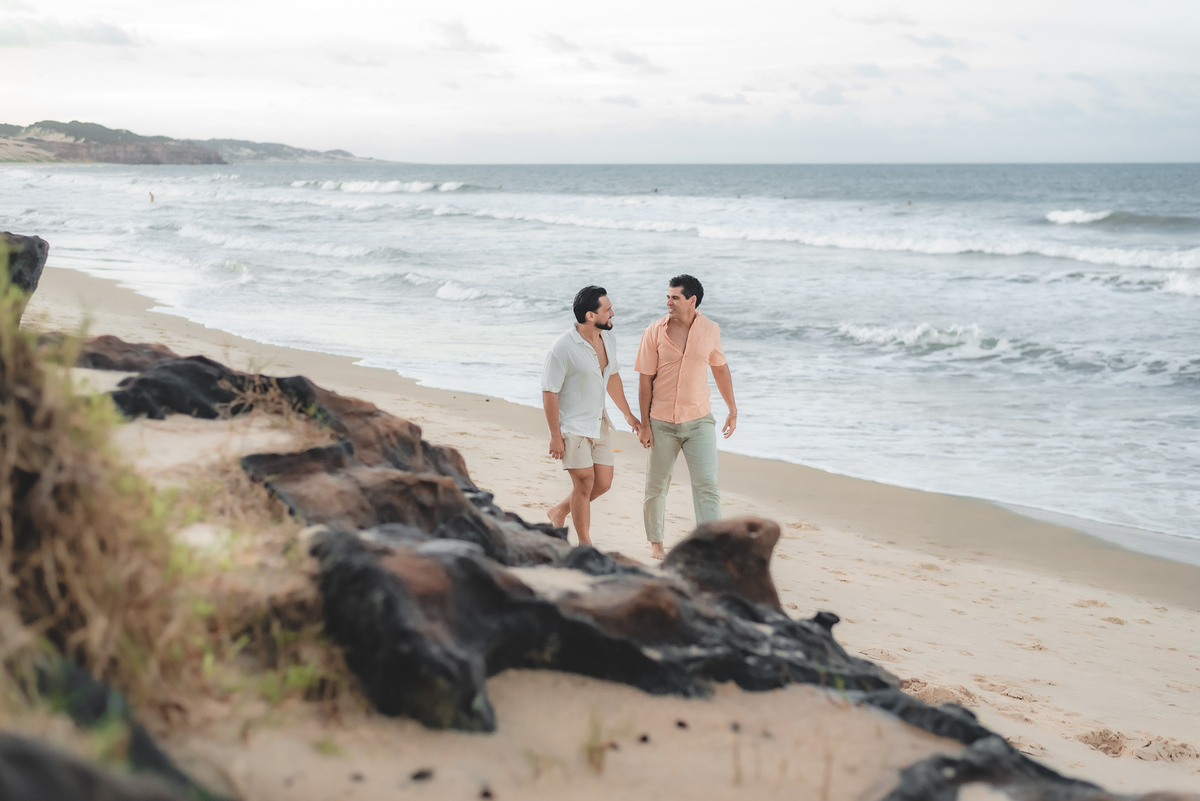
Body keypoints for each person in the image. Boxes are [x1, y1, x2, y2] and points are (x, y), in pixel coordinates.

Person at [635, 274, 738, 560]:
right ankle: (656, 544)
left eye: (675, 297)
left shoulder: (710, 330)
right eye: (668, 297)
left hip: (699, 421)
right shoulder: (654, 331)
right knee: (656, 486)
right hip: (661, 423)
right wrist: (645, 425)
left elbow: (720, 368)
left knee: (707, 485)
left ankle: (710, 546)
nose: (669, 302)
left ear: (692, 300)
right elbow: (644, 380)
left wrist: (732, 409)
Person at [542, 286, 641, 546]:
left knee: (603, 482)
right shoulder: (562, 348)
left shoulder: (608, 339)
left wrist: (628, 415)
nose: (612, 313)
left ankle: (558, 511)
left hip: (599, 423)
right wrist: (555, 436)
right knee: (584, 483)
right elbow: (549, 392)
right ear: (590, 315)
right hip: (573, 427)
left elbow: (612, 377)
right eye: (607, 310)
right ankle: (585, 544)